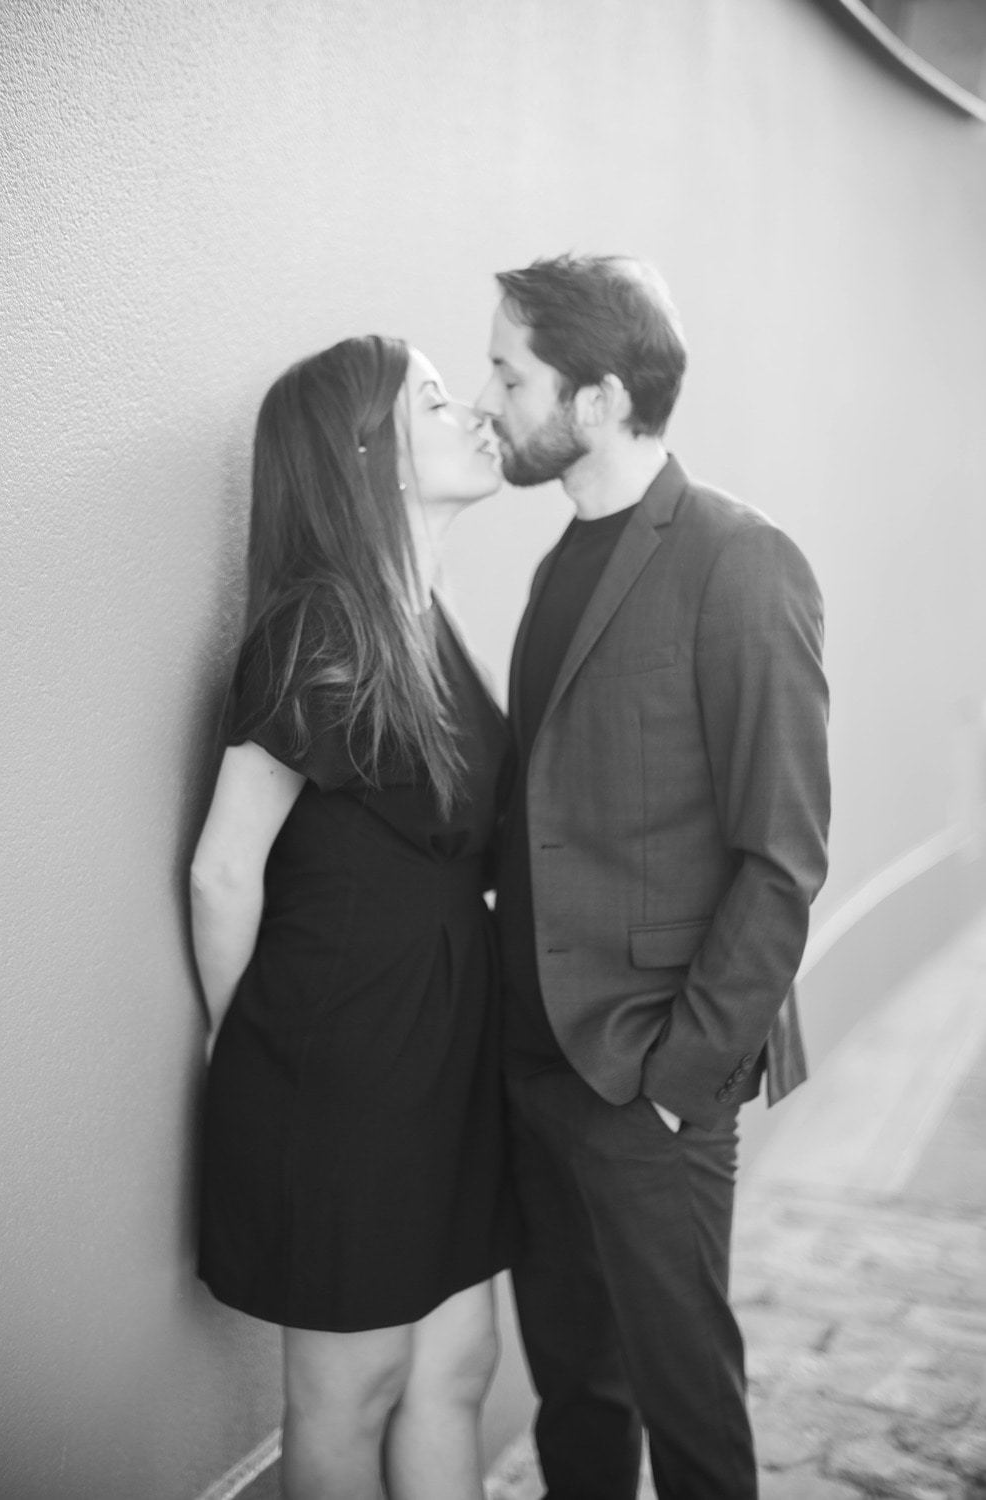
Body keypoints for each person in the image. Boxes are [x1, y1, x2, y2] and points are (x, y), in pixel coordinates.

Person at [475, 255, 831, 1500]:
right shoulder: (555, 566)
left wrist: (682, 1084)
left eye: (511, 373)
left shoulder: (740, 561)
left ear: (595, 401)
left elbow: (782, 855)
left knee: (688, 1417)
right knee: (578, 1399)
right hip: (539, 1065)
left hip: (651, 1079)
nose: (493, 401)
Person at [191, 334, 518, 1500]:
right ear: (365, 454)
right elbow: (225, 871)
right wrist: (250, 1048)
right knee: (353, 1391)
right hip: (340, 1062)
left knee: (459, 1366)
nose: (472, 412)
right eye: (435, 398)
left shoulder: (430, 618)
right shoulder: (313, 630)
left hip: (443, 1053)